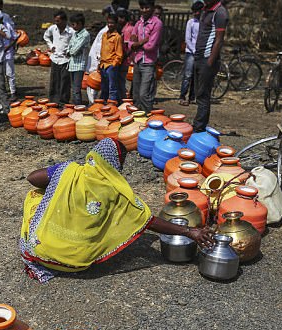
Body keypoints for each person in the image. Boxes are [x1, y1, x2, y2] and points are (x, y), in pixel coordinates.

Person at [19, 138, 214, 283]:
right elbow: (148, 221)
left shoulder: (71, 171)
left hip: (40, 249)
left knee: (36, 195)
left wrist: (63, 178)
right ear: (114, 162)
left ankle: (47, 237)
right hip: (77, 261)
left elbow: (32, 178)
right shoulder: (115, 190)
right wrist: (189, 231)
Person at [192, 0, 228, 133]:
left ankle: (199, 127)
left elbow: (219, 40)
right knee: (198, 94)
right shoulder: (205, 10)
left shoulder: (220, 12)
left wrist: (209, 62)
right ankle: (198, 124)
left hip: (208, 60)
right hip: (198, 57)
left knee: (203, 95)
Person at [130, 0, 163, 113]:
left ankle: (147, 117)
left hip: (148, 62)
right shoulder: (139, 23)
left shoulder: (156, 23)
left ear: (152, 8)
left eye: (147, 7)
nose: (144, 10)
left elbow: (150, 46)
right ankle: (137, 120)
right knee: (136, 94)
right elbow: (130, 42)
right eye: (142, 7)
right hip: (137, 60)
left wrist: (137, 43)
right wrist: (141, 41)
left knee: (145, 94)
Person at [43, 10, 74, 105]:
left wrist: (69, 51)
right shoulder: (53, 28)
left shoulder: (71, 32)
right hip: (55, 58)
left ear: (64, 21)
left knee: (64, 81)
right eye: (55, 21)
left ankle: (63, 101)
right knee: (54, 80)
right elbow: (46, 36)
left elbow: (74, 43)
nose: (56, 23)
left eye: (58, 21)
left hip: (65, 60)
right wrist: (51, 46)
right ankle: (53, 100)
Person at [179, 0, 203, 106]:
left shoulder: (204, 22)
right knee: (188, 75)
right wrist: (194, 50)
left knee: (196, 76)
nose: (196, 13)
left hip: (201, 52)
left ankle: (192, 96)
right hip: (191, 52)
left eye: (198, 11)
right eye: (194, 11)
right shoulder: (191, 22)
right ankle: (182, 96)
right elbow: (188, 39)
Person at [86, 9, 109, 104]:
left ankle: (96, 103)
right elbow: (100, 48)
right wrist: (100, 61)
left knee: (99, 83)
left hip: (101, 61)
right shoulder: (105, 31)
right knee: (94, 83)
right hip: (97, 61)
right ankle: (92, 103)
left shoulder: (108, 30)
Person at [67, 13, 90, 106]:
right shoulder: (75, 34)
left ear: (80, 23)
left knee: (76, 89)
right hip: (72, 64)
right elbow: (70, 47)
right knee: (73, 88)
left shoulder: (85, 34)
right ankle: (75, 106)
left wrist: (71, 51)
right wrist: (70, 50)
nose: (72, 27)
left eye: (74, 24)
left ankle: (78, 107)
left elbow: (74, 50)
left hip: (79, 65)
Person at [99, 13, 123, 102]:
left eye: (112, 23)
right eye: (108, 23)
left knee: (112, 87)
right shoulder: (104, 35)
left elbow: (119, 54)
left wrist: (114, 64)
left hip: (111, 65)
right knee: (104, 87)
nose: (110, 25)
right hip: (103, 64)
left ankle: (112, 105)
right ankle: (103, 104)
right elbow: (102, 50)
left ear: (116, 24)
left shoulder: (117, 37)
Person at [116, 8, 134, 101]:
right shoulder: (124, 29)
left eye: (120, 18)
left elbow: (128, 48)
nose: (119, 20)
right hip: (124, 59)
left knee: (122, 82)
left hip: (125, 60)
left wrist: (122, 59)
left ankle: (123, 101)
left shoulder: (127, 30)